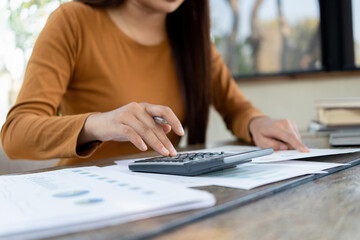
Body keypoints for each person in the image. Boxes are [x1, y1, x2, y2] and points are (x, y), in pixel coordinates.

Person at [0, 0, 309, 166]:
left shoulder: (192, 42)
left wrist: (258, 123)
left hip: (170, 199)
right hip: (89, 203)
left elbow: (236, 108)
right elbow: (15, 134)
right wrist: (97, 124)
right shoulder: (72, 21)